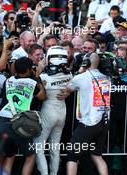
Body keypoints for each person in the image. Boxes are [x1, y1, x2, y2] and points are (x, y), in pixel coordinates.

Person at [57, 53, 111, 175]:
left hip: (89, 122)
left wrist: (80, 70)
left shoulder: (82, 77)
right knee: (97, 155)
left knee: (72, 155)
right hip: (104, 121)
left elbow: (67, 88)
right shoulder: (106, 77)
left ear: (86, 63)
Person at [0, 57, 46, 175]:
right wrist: (38, 77)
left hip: (1, 121)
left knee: (9, 154)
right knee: (31, 156)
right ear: (29, 70)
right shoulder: (33, 83)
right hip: (19, 123)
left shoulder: (7, 80)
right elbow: (43, 97)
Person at [34, 46, 72, 175]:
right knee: (55, 147)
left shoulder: (44, 77)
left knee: (39, 146)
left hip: (48, 111)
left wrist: (39, 69)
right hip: (62, 112)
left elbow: (34, 83)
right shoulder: (69, 75)